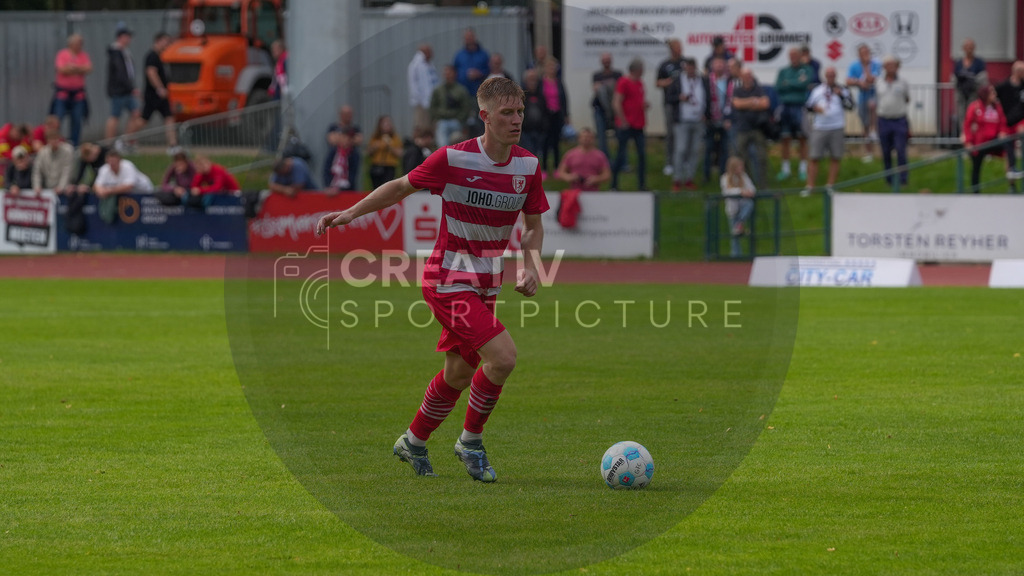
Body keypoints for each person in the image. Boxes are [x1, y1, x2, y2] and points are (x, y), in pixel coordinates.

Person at [315, 77, 549, 483]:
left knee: (459, 373)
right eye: (507, 113)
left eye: (520, 112)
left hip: (486, 284)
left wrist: (532, 264)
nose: (516, 120)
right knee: (503, 357)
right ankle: (470, 442)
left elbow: (533, 225)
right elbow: (400, 188)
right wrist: (350, 214)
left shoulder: (528, 167)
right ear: (485, 116)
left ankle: (414, 440)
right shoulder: (453, 159)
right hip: (447, 278)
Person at [803, 67, 854, 196]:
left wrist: (841, 96)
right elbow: (808, 106)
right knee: (814, 157)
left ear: (836, 76)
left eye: (833, 75)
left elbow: (851, 106)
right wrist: (816, 109)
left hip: (836, 126)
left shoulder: (843, 89)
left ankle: (830, 186)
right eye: (828, 75)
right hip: (820, 127)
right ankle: (810, 186)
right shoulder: (818, 90)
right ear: (825, 76)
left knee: (835, 157)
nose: (830, 77)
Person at [666, 58, 707, 191]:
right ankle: (677, 179)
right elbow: (668, 98)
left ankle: (689, 178)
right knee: (681, 149)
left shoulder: (702, 80)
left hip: (698, 121)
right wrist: (679, 97)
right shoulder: (678, 81)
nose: (690, 69)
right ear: (685, 68)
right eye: (688, 67)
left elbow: (708, 98)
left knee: (694, 151)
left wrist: (707, 114)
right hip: (682, 120)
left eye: (692, 67)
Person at [775, 47, 816, 182]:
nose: (793, 58)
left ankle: (803, 169)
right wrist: (794, 83)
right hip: (786, 107)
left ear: (800, 56)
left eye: (795, 55)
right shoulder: (783, 71)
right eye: (791, 56)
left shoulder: (806, 70)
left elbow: (804, 84)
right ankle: (785, 169)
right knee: (785, 138)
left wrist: (789, 83)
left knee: (802, 138)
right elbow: (779, 87)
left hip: (800, 107)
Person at [962, 85, 1012, 193]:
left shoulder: (997, 107)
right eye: (992, 93)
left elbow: (1002, 121)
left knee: (1008, 144)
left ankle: (1012, 172)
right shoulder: (975, 107)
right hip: (979, 143)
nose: (995, 95)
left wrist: (1002, 132)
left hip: (993, 140)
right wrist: (968, 142)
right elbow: (967, 125)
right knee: (976, 168)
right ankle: (976, 193)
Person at [611, 58, 648, 191]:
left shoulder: (639, 83)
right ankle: (614, 184)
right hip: (626, 124)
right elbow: (617, 102)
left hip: (638, 123)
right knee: (621, 154)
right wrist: (623, 120)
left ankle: (641, 184)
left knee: (642, 155)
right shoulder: (624, 82)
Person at [731, 68, 770, 190]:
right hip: (743, 128)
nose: (748, 78)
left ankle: (763, 185)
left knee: (761, 157)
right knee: (742, 157)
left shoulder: (758, 89)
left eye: (749, 75)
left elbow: (765, 103)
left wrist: (745, 104)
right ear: (741, 77)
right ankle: (747, 184)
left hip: (757, 128)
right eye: (745, 76)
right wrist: (753, 102)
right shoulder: (737, 90)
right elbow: (737, 104)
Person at [876, 55, 912, 187]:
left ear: (897, 67)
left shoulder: (903, 82)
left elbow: (907, 98)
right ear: (884, 68)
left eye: (893, 65)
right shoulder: (879, 82)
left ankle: (903, 179)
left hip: (899, 120)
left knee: (901, 150)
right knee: (886, 152)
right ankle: (888, 179)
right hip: (884, 120)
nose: (891, 68)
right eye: (888, 65)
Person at [105, 26, 143, 147]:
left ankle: (126, 140)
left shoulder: (125, 52)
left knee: (136, 113)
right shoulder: (116, 52)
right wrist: (131, 88)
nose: (129, 39)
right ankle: (109, 143)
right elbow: (120, 73)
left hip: (128, 90)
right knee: (115, 116)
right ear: (120, 37)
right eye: (127, 37)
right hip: (119, 91)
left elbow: (129, 72)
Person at [53, 33, 92, 146]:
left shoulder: (83, 55)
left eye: (81, 44)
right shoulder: (63, 54)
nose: (80, 46)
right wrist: (79, 70)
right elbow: (61, 70)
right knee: (57, 119)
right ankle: (56, 142)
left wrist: (74, 68)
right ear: (71, 44)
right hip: (63, 93)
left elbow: (89, 68)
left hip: (78, 94)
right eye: (78, 43)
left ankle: (74, 144)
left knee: (77, 120)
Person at [846, 44, 881, 162]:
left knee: (874, 109)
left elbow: (872, 79)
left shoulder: (876, 64)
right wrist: (859, 83)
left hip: (874, 95)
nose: (865, 56)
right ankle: (869, 153)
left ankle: (875, 131)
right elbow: (848, 80)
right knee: (864, 126)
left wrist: (866, 66)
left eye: (867, 53)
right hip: (862, 97)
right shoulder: (854, 66)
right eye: (863, 53)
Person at [142, 32, 177, 149]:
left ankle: (173, 145)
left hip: (161, 96)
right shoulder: (152, 56)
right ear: (158, 41)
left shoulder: (160, 56)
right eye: (165, 41)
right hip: (154, 95)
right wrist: (160, 89)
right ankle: (125, 140)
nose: (167, 44)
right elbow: (151, 73)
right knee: (143, 120)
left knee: (169, 117)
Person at [655, 39, 685, 177]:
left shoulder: (685, 63)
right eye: (677, 47)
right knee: (671, 134)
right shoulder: (665, 65)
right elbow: (657, 82)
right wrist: (667, 83)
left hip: (684, 104)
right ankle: (669, 162)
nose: (680, 50)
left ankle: (682, 161)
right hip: (670, 103)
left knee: (683, 134)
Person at [453, 27, 489, 138]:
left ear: (474, 37)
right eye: (466, 38)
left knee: (480, 120)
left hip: (479, 94)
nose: (469, 40)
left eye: (470, 37)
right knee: (464, 122)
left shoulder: (483, 54)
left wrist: (479, 74)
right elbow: (454, 72)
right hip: (463, 96)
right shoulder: (459, 55)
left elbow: (488, 71)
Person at [704, 57, 733, 183]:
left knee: (724, 149)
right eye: (717, 64)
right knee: (708, 148)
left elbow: (731, 100)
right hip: (710, 119)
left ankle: (723, 174)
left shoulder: (730, 81)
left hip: (725, 119)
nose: (720, 66)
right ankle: (706, 175)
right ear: (712, 67)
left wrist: (729, 118)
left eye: (722, 64)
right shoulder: (707, 80)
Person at [554, 127, 610, 191]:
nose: (586, 139)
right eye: (584, 137)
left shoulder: (600, 156)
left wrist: (596, 179)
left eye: (589, 137)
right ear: (579, 138)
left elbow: (607, 174)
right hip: (575, 192)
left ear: (593, 139)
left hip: (593, 193)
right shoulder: (570, 154)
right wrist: (570, 177)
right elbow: (561, 172)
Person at [430, 65, 473, 148]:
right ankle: (444, 158)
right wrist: (435, 119)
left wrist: (460, 119)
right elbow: (433, 107)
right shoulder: (438, 90)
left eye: (449, 73)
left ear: (455, 74)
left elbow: (466, 107)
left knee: (456, 145)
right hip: (442, 121)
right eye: (445, 73)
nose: (447, 75)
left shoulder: (461, 90)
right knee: (442, 145)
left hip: (456, 121)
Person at [721, 156, 755, 257]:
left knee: (749, 204)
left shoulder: (744, 176)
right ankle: (736, 256)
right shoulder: (725, 178)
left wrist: (749, 192)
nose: (741, 169)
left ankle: (740, 222)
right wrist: (741, 191)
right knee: (735, 237)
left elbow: (752, 188)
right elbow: (726, 191)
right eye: (739, 166)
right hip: (732, 209)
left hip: (742, 207)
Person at [540, 58, 568, 179]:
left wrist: (566, 115)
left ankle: (557, 167)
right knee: (545, 142)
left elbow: (564, 99)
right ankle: (544, 168)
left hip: (557, 115)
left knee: (556, 143)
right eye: (550, 67)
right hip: (545, 116)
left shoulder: (559, 82)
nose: (552, 70)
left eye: (554, 68)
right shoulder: (541, 83)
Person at [996, 60, 1024, 179]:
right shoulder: (1003, 86)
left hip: (1021, 121)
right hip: (1007, 122)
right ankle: (1011, 182)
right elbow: (994, 102)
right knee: (1009, 152)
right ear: (1017, 72)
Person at [591, 52, 622, 159]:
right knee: (602, 138)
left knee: (620, 136)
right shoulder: (597, 75)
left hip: (615, 109)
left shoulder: (618, 74)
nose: (606, 62)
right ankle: (604, 161)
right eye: (604, 60)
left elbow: (620, 90)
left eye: (608, 59)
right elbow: (596, 89)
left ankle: (622, 161)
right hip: (600, 109)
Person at [953, 38, 988, 131]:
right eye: (967, 47)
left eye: (971, 47)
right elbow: (954, 77)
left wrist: (970, 79)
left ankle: (972, 134)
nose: (969, 49)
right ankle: (963, 134)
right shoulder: (959, 62)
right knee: (961, 114)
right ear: (963, 48)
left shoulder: (979, 62)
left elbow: (983, 78)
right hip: (961, 92)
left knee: (973, 113)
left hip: (974, 92)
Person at [327, 105, 363, 186]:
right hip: (337, 157)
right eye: (346, 114)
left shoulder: (355, 127)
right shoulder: (333, 127)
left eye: (350, 114)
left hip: (350, 158)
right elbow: (331, 140)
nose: (348, 116)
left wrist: (340, 138)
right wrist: (350, 138)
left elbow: (359, 140)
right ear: (340, 114)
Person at [407, 44, 439, 133]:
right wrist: (420, 100)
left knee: (431, 125)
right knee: (421, 126)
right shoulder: (416, 65)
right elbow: (416, 86)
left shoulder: (429, 65)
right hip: (421, 102)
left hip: (431, 101)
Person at [32, 129, 75, 194]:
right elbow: (37, 171)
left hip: (65, 189)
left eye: (56, 139)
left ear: (59, 139)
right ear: (47, 141)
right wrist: (37, 187)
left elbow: (67, 171)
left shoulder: (68, 150)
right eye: (51, 140)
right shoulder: (42, 152)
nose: (54, 142)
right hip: (47, 188)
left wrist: (61, 187)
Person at [367, 115, 403, 189]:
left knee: (387, 188)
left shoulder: (395, 138)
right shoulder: (375, 137)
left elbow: (400, 153)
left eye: (388, 123)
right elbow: (368, 152)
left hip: (389, 167)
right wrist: (375, 146)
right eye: (384, 124)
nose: (387, 126)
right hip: (376, 166)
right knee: (376, 188)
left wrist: (390, 146)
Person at [519, 68, 548, 158]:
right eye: (530, 79)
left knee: (537, 156)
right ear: (525, 81)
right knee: (528, 154)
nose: (533, 82)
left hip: (539, 131)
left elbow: (545, 112)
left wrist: (545, 126)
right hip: (526, 131)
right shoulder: (520, 96)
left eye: (535, 79)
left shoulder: (541, 95)